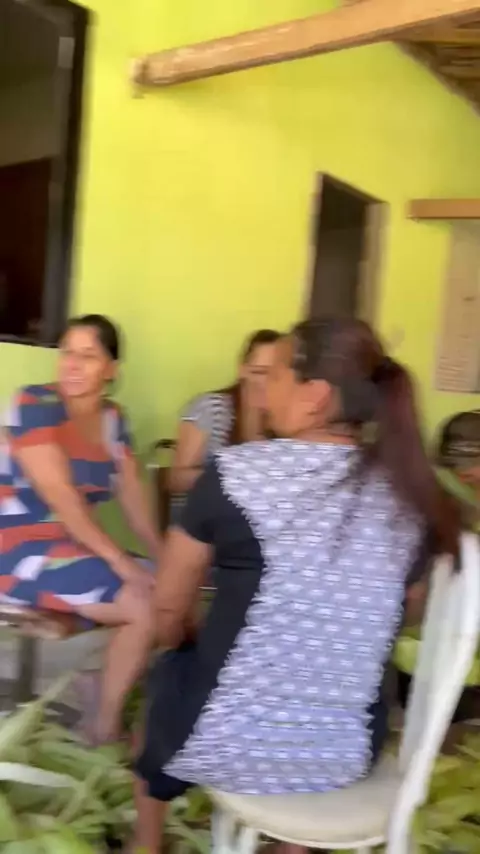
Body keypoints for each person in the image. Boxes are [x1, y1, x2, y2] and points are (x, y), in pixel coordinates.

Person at [131, 318, 459, 854]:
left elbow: (168, 607)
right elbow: (409, 611)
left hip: (226, 743)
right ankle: (294, 845)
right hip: (345, 755)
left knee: (169, 675)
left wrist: (184, 640)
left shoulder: (234, 473)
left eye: (277, 375)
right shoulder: (409, 494)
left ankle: (145, 844)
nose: (263, 391)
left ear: (315, 396)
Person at [1, 314, 161, 744]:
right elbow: (62, 499)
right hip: (16, 550)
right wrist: (124, 564)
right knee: (143, 602)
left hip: (72, 546)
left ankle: (98, 686)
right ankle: (102, 723)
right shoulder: (35, 404)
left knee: (172, 594)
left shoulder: (113, 420)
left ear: (111, 369)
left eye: (87, 356)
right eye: (67, 353)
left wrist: (165, 559)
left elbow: (133, 497)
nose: (71, 364)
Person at [169, 329, 281, 502]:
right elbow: (176, 481)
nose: (265, 382)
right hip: (208, 511)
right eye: (258, 372)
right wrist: (237, 474)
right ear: (242, 370)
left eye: (276, 376)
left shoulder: (289, 419)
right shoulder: (211, 408)